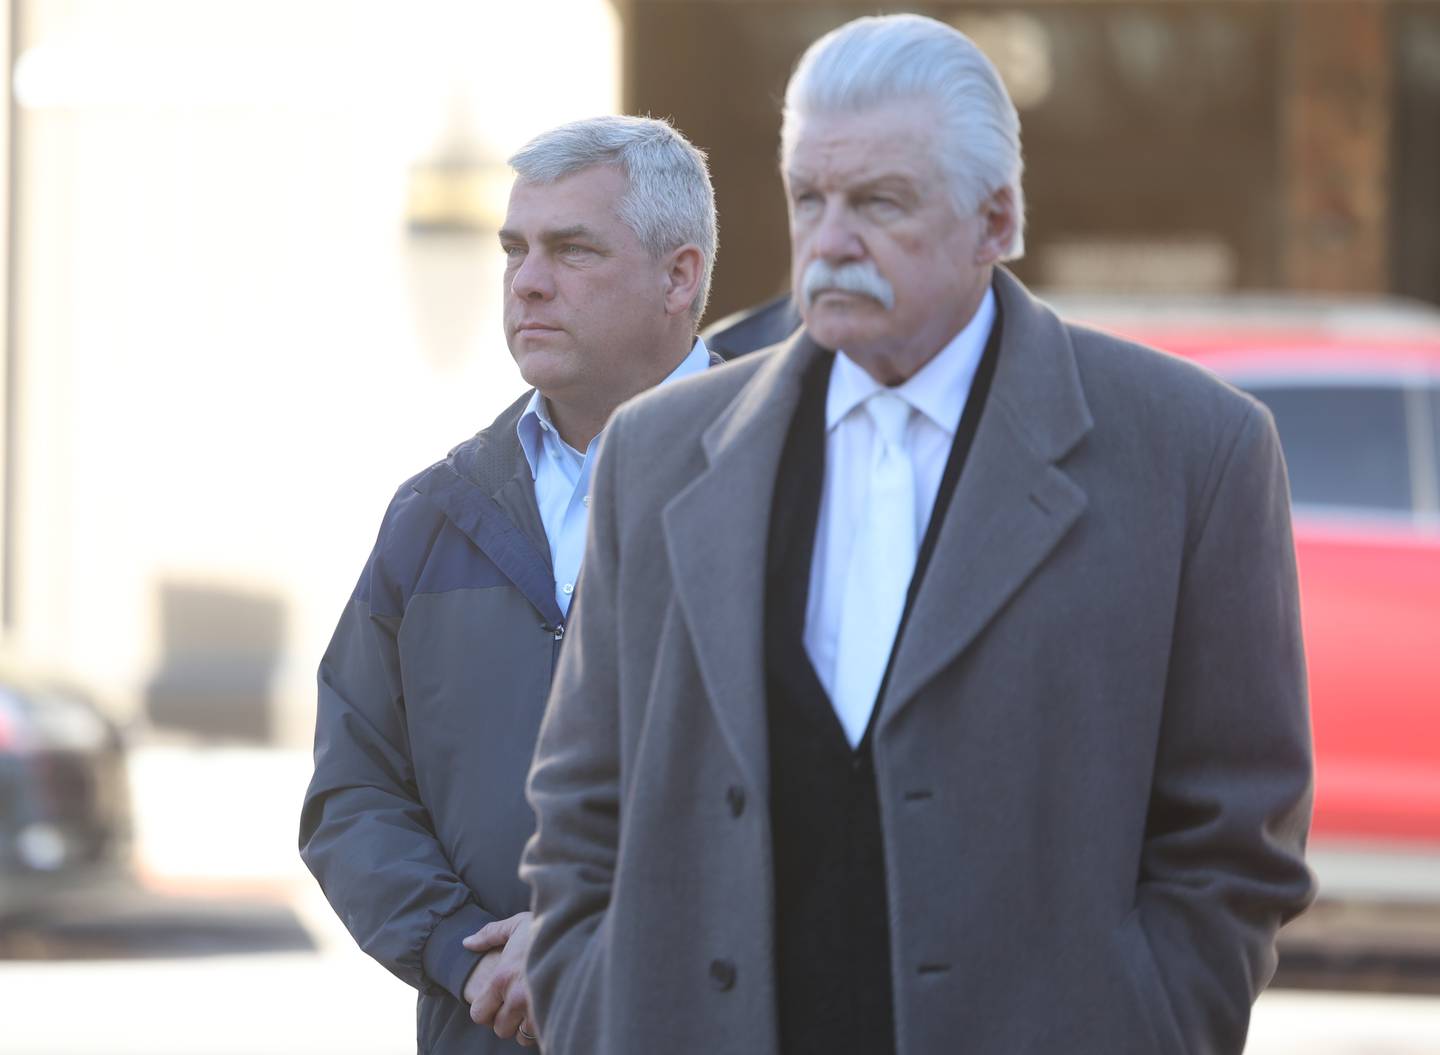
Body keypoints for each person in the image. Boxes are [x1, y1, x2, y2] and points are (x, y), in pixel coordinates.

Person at [522, 15, 1314, 1055]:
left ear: (997, 220)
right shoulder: (657, 452)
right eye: (811, 198)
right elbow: (581, 809)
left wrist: (1152, 1021)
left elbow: (1235, 838)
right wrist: (597, 1004)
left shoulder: (1192, 453)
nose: (833, 237)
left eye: (880, 202)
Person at [299, 114, 719, 1054]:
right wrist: (471, 954)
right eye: (516, 249)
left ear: (679, 276)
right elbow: (354, 790)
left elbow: (835, 794)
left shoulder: (791, 485)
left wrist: (593, 940)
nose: (528, 280)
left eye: (572, 249)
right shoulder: (436, 514)